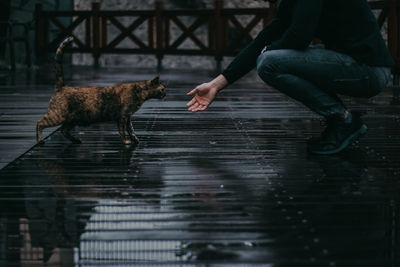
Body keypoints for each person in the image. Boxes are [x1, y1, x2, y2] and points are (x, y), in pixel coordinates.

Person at [186, 0, 394, 155]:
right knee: (269, 59)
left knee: (270, 62)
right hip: (355, 66)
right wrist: (217, 84)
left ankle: (343, 119)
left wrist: (267, 51)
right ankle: (341, 119)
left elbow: (300, 36)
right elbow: (268, 36)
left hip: (367, 71)